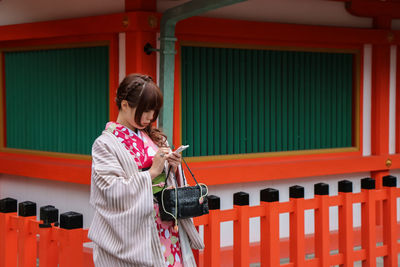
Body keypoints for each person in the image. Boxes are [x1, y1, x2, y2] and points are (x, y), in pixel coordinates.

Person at [88, 73, 204, 267]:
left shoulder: (155, 138)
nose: (151, 117)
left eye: (154, 111)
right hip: (134, 235)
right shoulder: (105, 145)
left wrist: (173, 168)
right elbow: (109, 191)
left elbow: (170, 181)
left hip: (166, 226)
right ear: (125, 105)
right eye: (146, 110)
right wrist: (151, 173)